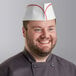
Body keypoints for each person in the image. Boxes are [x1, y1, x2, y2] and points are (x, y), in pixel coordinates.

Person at [0, 2, 76, 76]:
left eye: (50, 29)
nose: (46, 35)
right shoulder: (6, 70)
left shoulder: (70, 70)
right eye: (37, 29)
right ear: (24, 32)